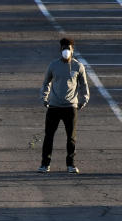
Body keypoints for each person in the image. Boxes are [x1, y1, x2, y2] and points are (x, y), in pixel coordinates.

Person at [39, 37, 89, 174]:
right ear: (60, 50)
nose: (66, 51)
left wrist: (84, 99)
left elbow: (84, 85)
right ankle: (45, 164)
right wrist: (44, 97)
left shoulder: (78, 66)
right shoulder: (53, 65)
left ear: (72, 50)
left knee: (71, 138)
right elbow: (46, 82)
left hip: (70, 107)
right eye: (64, 49)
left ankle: (71, 165)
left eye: (68, 49)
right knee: (48, 136)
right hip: (54, 106)